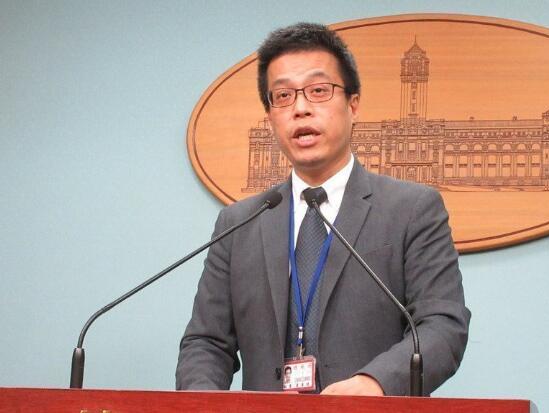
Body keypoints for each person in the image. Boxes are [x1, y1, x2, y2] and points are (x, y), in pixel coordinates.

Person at [176, 22, 470, 396]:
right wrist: (203, 403)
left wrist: (374, 383)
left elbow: (442, 326)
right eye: (283, 96)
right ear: (270, 116)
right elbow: (206, 343)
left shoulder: (411, 210)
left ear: (353, 104)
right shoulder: (239, 223)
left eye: (318, 91)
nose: (300, 109)